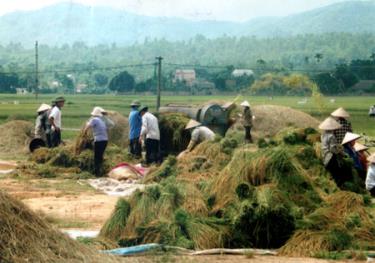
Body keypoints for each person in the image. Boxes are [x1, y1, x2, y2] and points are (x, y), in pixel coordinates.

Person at [320, 117, 346, 186]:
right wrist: (340, 152)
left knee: (332, 173)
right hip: (330, 157)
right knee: (338, 173)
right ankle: (338, 187)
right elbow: (332, 149)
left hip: (324, 155)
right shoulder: (331, 136)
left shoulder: (322, 135)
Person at [84, 107, 109, 177]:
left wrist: (84, 133)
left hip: (99, 140)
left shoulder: (94, 119)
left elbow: (88, 126)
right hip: (105, 140)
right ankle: (101, 171)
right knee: (100, 156)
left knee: (96, 157)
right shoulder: (101, 121)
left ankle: (97, 173)